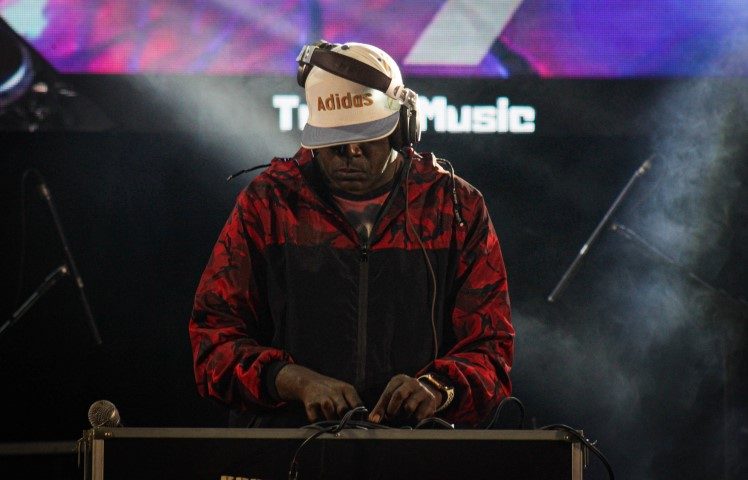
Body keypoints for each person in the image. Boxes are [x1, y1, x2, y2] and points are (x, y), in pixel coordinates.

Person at [189, 40, 514, 428]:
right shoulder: (268, 204)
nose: (352, 153)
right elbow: (214, 342)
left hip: (416, 449)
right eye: (336, 142)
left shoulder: (455, 207)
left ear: (402, 127)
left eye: (367, 135)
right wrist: (292, 381)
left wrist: (438, 388)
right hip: (289, 446)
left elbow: (492, 350)